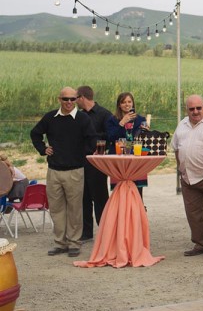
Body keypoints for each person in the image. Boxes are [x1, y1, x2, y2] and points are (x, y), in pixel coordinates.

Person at [30, 87, 96, 257]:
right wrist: (43, 149)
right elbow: (35, 133)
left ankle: (74, 243)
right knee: (56, 209)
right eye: (65, 99)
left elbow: (92, 139)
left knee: (75, 209)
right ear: (59, 99)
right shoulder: (50, 118)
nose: (69, 102)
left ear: (77, 100)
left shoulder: (83, 119)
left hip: (75, 171)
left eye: (72, 99)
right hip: (54, 171)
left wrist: (81, 155)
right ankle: (60, 243)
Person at [171, 96, 203, 257]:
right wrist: (181, 168)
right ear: (187, 110)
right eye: (191, 109)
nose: (195, 112)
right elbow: (176, 147)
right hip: (188, 177)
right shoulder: (182, 124)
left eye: (199, 108)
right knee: (193, 214)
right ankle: (201, 244)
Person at [75, 85, 112, 241]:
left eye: (76, 98)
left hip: (98, 163)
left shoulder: (104, 114)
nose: (75, 101)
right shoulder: (78, 116)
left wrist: (94, 139)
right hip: (81, 161)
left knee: (100, 198)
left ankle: (105, 231)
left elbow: (110, 136)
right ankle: (86, 233)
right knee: (83, 198)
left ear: (82, 97)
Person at [106, 92, 149, 197]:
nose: (127, 104)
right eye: (123, 102)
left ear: (133, 103)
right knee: (120, 193)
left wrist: (146, 132)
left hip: (136, 159)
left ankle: (137, 211)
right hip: (119, 160)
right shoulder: (112, 120)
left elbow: (142, 140)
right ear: (119, 105)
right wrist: (122, 123)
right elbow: (110, 138)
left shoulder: (140, 119)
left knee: (137, 193)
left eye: (129, 101)